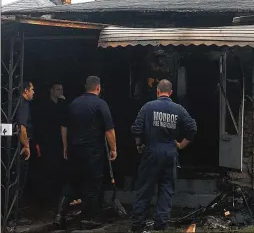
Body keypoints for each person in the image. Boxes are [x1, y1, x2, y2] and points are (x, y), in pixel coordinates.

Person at [131, 79, 197, 233]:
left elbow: (136, 129)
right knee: (166, 189)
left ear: (157, 91)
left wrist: (139, 145)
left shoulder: (148, 107)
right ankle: (161, 224)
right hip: (170, 153)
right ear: (171, 92)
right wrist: (181, 144)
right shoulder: (179, 109)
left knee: (145, 188)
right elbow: (192, 128)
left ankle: (138, 224)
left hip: (152, 152)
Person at [56, 76, 117, 230]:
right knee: (93, 183)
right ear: (98, 88)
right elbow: (109, 130)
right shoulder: (100, 104)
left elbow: (64, 127)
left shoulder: (73, 103)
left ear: (85, 87)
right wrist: (114, 148)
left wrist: (65, 146)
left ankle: (59, 215)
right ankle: (90, 218)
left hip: (74, 150)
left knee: (72, 182)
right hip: (93, 152)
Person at [35, 83, 67, 203]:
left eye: (62, 89)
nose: (60, 92)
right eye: (58, 89)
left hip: (59, 142)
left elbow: (65, 120)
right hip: (47, 142)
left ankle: (57, 198)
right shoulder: (45, 106)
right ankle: (46, 198)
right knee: (47, 169)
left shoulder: (61, 105)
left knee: (58, 169)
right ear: (51, 91)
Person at [8, 82, 35, 226]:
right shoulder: (23, 104)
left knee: (12, 181)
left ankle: (11, 214)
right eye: (32, 90)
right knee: (18, 183)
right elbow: (22, 127)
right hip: (19, 148)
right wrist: (26, 145)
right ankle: (14, 216)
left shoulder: (12, 103)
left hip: (10, 148)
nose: (33, 93)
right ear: (25, 90)